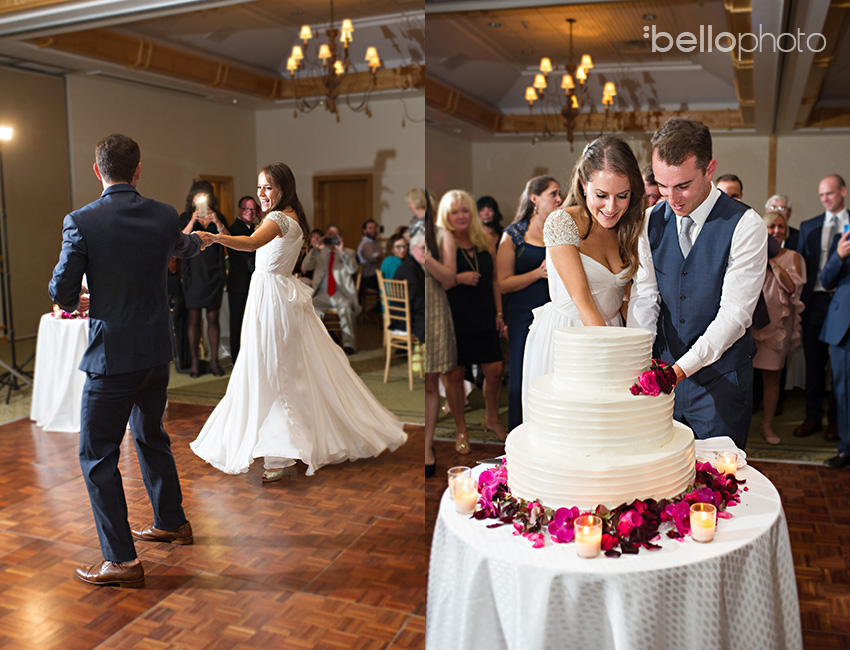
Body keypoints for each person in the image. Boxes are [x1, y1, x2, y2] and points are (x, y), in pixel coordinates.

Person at [49, 133, 204, 588]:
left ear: (98, 171)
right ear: (138, 170)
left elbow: (61, 292)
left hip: (112, 357)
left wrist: (82, 295)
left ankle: (121, 560)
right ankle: (172, 522)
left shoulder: (81, 221)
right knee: (151, 436)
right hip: (156, 352)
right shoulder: (160, 215)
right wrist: (209, 237)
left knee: (97, 456)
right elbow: (184, 247)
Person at [190, 163, 407, 482]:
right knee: (277, 366)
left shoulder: (278, 218)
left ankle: (279, 453)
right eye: (259, 187)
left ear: (283, 189)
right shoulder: (289, 217)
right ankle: (281, 447)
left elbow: (251, 245)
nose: (262, 194)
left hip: (273, 297)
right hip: (272, 293)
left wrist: (213, 236)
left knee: (273, 367)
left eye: (268, 187)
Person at [628, 118, 768, 449]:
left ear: (709, 169)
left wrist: (681, 370)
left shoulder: (746, 225)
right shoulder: (650, 221)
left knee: (718, 486)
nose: (671, 198)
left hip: (720, 382)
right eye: (662, 185)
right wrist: (640, 362)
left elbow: (734, 314)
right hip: (662, 379)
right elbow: (646, 298)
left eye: (683, 185)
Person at [522, 138, 643, 420]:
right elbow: (583, 300)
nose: (611, 207)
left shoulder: (627, 227)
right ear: (583, 183)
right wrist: (615, 357)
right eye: (601, 195)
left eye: (622, 196)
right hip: (571, 335)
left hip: (611, 330)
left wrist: (637, 347)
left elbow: (626, 298)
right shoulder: (563, 222)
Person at [439, 189, 506, 446]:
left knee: (495, 370)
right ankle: (461, 430)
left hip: (484, 312)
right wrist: (458, 278)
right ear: (446, 215)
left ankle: (491, 418)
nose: (461, 216)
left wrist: (499, 313)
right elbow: (437, 281)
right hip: (454, 316)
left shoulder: (486, 238)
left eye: (465, 210)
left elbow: (496, 279)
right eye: (454, 212)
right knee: (455, 374)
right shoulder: (443, 241)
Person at [496, 175, 561, 431]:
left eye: (559, 194)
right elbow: (503, 283)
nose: (559, 199)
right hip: (523, 315)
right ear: (535, 199)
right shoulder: (513, 235)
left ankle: (549, 429)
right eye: (553, 194)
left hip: (555, 313)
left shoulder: (561, 229)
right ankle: (518, 432)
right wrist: (537, 273)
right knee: (524, 373)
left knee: (551, 372)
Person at [794, 174, 848, 442]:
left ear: (843, 191)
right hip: (816, 301)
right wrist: (800, 308)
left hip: (844, 302)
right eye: (821, 194)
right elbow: (803, 270)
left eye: (830, 193)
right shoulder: (808, 226)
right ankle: (813, 416)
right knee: (814, 365)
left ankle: (837, 421)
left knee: (841, 369)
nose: (825, 198)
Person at [422, 191, 467, 473]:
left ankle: (427, 445)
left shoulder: (441, 235)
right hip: (415, 311)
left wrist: (425, 258)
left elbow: (450, 279)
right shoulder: (404, 234)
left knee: (432, 380)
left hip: (435, 308)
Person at [752, 211, 805, 444]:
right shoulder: (750, 252)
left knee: (772, 378)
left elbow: (792, 288)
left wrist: (772, 259)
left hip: (778, 328)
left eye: (781, 227)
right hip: (750, 326)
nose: (776, 230)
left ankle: (768, 425)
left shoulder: (793, 257)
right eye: (771, 226)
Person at [180, 180, 229, 377]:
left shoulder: (218, 216)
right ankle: (194, 363)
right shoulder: (184, 217)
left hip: (214, 273)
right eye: (197, 196)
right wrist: (192, 221)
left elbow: (229, 240)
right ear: (192, 199)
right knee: (193, 319)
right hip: (193, 274)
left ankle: (215, 362)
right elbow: (179, 242)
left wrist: (217, 222)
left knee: (213, 318)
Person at [301, 224, 360, 355]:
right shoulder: (319, 253)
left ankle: (348, 345)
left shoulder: (348, 252)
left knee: (346, 308)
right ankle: (317, 343)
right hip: (322, 294)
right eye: (329, 235)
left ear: (340, 237)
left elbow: (353, 269)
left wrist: (342, 250)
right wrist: (315, 249)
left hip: (341, 294)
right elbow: (305, 266)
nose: (332, 237)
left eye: (335, 235)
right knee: (312, 307)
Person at [820, 229, 850, 468]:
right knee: (843, 393)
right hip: (844, 329)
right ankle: (846, 450)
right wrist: (839, 255)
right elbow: (826, 280)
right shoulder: (843, 239)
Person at [227, 195, 259, 362]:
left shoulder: (255, 229)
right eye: (246, 209)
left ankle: (248, 357)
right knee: (238, 321)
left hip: (251, 283)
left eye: (253, 209)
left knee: (251, 322)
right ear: (240, 211)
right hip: (239, 284)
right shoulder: (234, 230)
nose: (250, 212)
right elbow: (247, 258)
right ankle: (236, 358)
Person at [392, 232, 425, 343]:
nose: (427, 253)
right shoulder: (409, 269)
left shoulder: (415, 264)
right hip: (404, 319)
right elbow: (418, 300)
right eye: (423, 248)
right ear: (412, 248)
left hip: (411, 311)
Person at [357, 218, 382, 307]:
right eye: (370, 228)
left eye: (374, 228)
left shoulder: (374, 242)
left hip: (375, 276)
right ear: (364, 231)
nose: (373, 230)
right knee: (389, 286)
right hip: (369, 278)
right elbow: (374, 257)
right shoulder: (365, 245)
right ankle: (375, 311)